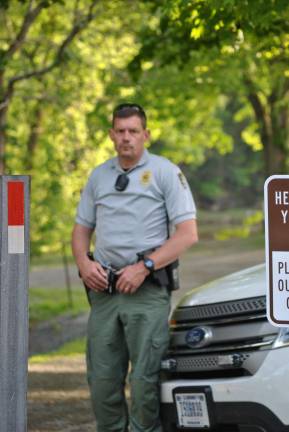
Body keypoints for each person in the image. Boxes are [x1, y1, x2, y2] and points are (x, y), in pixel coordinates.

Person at [71, 103, 198, 432]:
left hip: (146, 291)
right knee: (101, 380)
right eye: (120, 131)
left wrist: (145, 266)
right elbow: (81, 229)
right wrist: (84, 263)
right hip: (105, 292)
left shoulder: (166, 172)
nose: (126, 137)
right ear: (112, 135)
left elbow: (188, 234)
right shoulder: (100, 175)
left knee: (144, 381)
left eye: (133, 131)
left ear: (146, 135)